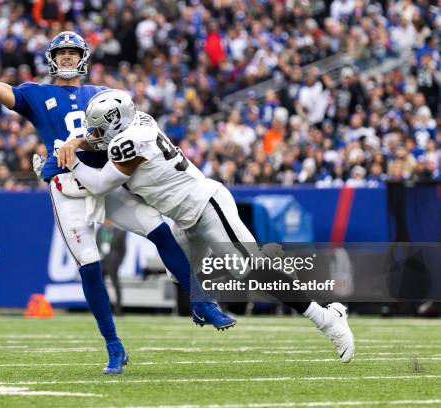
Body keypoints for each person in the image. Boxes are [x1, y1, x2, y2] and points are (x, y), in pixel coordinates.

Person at [0, 31, 234, 375]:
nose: (67, 58)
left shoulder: (102, 95)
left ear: (83, 57)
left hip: (106, 183)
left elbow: (131, 132)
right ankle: (114, 346)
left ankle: (202, 303)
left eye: (72, 52)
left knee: (160, 231)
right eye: (62, 53)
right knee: (90, 266)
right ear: (52, 58)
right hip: (68, 188)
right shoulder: (36, 93)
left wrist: (79, 141)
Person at [57, 89, 356, 363]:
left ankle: (327, 318)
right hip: (186, 218)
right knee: (179, 273)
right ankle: (205, 303)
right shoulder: (137, 124)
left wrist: (70, 161)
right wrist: (78, 142)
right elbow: (99, 145)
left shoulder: (128, 144)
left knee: (250, 269)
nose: (92, 135)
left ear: (115, 126)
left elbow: (97, 184)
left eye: (97, 129)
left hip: (207, 204)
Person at [96, 219, 126, 315]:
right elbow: (96, 244)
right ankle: (104, 308)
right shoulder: (100, 230)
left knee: (115, 284)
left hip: (113, 263)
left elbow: (123, 249)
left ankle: (118, 308)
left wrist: (119, 262)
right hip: (102, 261)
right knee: (101, 285)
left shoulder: (119, 231)